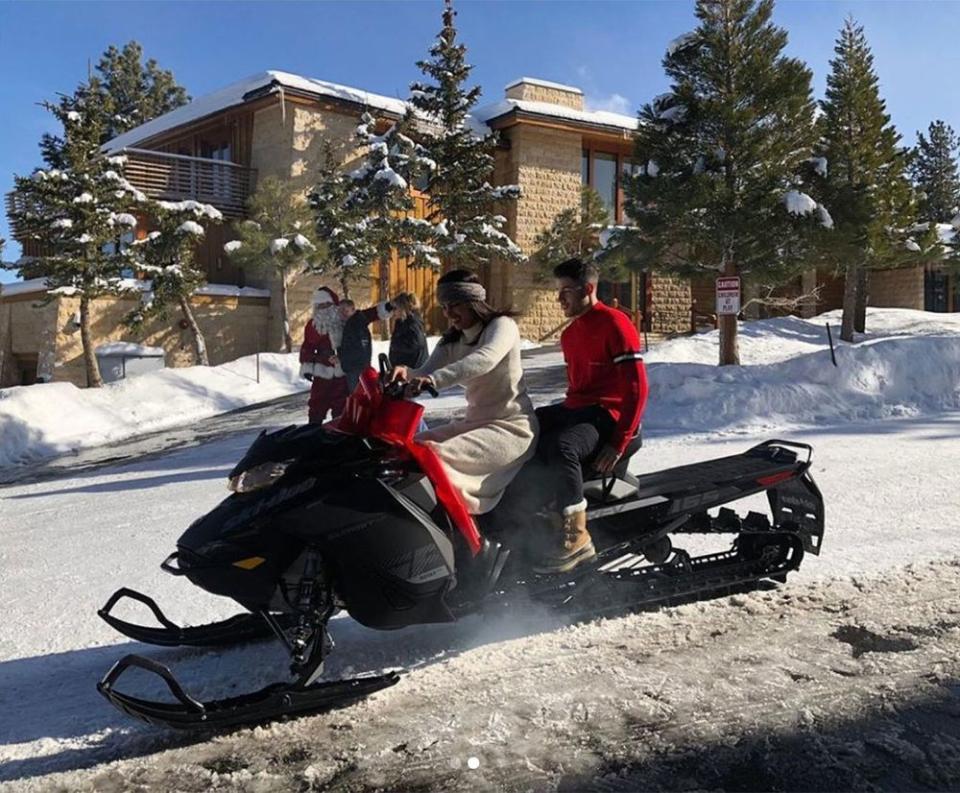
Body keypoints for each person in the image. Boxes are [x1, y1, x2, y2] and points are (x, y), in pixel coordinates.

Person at [530, 258, 648, 574]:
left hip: (609, 417)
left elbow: (637, 389)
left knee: (562, 447)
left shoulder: (615, 323)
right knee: (525, 426)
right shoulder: (570, 335)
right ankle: (533, 514)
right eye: (558, 291)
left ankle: (576, 537)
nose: (559, 299)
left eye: (566, 291)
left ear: (589, 289)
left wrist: (619, 442)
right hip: (580, 410)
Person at [390, 269, 538, 516]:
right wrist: (405, 374)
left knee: (434, 456)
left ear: (473, 301)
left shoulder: (502, 326)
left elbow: (485, 359)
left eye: (454, 305)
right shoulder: (452, 341)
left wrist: (433, 380)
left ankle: (465, 535)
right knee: (410, 448)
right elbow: (424, 371)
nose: (448, 314)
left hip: (511, 428)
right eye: (444, 306)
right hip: (475, 424)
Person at [300, 286, 349, 424]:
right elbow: (307, 347)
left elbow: (364, 318)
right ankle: (313, 432)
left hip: (342, 369)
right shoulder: (313, 325)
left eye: (326, 304)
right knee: (317, 404)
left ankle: (340, 434)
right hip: (322, 369)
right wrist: (307, 367)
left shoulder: (344, 320)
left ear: (334, 305)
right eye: (320, 305)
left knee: (342, 404)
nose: (324, 308)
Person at [338, 296, 395, 393]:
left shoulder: (357, 321)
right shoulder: (349, 324)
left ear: (353, 310)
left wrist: (389, 306)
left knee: (358, 395)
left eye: (345, 310)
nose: (342, 313)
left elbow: (357, 348)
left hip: (356, 367)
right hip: (353, 366)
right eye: (340, 310)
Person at [388, 292, 429, 369]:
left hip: (413, 371)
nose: (393, 312)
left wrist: (396, 344)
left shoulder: (413, 323)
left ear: (403, 308)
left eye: (395, 308)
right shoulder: (402, 323)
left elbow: (416, 344)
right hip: (402, 370)